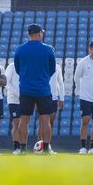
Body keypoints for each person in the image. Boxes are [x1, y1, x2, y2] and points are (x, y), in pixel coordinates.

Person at [14, 24, 56, 154]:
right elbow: (52, 69)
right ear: (39, 34)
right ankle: (46, 148)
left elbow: (18, 69)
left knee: (24, 120)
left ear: (29, 34)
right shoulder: (48, 49)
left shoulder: (20, 49)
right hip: (43, 89)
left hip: (26, 89)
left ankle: (22, 149)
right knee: (45, 119)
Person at [41, 62, 64, 153]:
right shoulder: (41, 65)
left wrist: (61, 98)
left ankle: (47, 146)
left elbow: (61, 83)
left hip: (54, 98)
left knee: (50, 123)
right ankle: (41, 146)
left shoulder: (57, 67)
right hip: (42, 96)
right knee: (42, 122)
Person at [5, 62, 21, 154]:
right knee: (16, 123)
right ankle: (16, 147)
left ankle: (23, 146)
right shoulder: (12, 66)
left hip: (25, 99)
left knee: (23, 124)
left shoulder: (27, 65)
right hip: (13, 100)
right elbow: (6, 83)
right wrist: (17, 94)